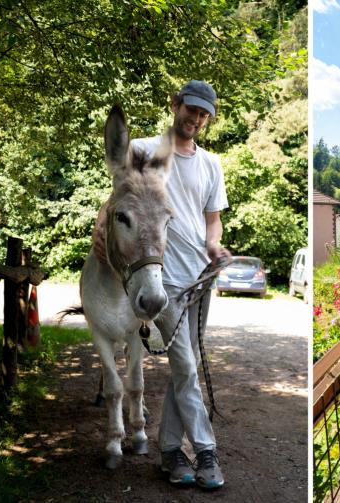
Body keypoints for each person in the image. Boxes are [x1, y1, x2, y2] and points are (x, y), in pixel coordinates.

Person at [92, 80, 231, 490]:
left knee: (181, 369)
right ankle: (206, 453)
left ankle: (170, 450)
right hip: (161, 276)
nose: (196, 118)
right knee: (187, 366)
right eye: (191, 109)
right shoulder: (145, 152)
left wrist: (215, 244)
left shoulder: (211, 164)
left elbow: (212, 219)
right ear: (176, 105)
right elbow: (116, 196)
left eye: (204, 114)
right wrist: (102, 227)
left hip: (199, 279)